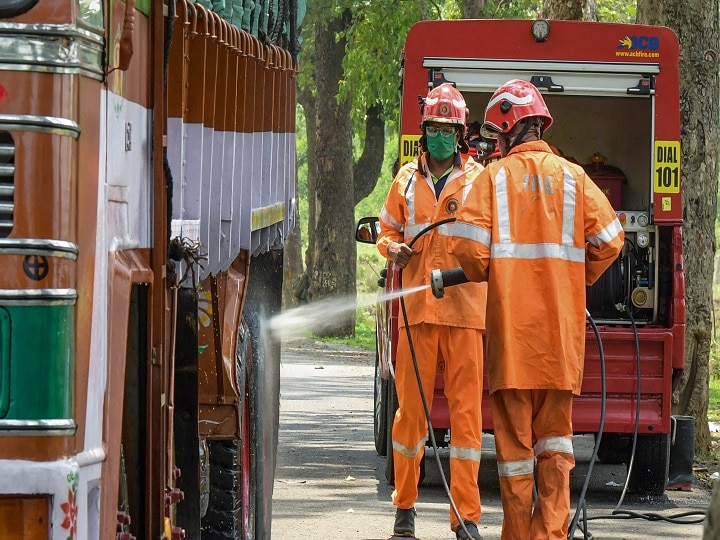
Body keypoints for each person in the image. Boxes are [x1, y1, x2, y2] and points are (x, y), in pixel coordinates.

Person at [447, 79, 625, 540]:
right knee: (557, 448)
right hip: (560, 344)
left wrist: (497, 271)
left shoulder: (491, 179)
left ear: (507, 129)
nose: (494, 144)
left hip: (513, 342)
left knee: (515, 455)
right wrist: (571, 280)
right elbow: (610, 240)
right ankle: (550, 534)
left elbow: (467, 250)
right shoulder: (574, 177)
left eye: (495, 135)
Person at [377, 82, 487, 540]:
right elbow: (384, 231)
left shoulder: (479, 179)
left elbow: (489, 244)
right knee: (409, 419)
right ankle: (404, 511)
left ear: (461, 134)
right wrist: (392, 249)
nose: (441, 135)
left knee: (466, 420)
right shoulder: (405, 179)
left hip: (464, 314)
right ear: (424, 131)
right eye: (434, 128)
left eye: (449, 128)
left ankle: (465, 519)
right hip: (418, 312)